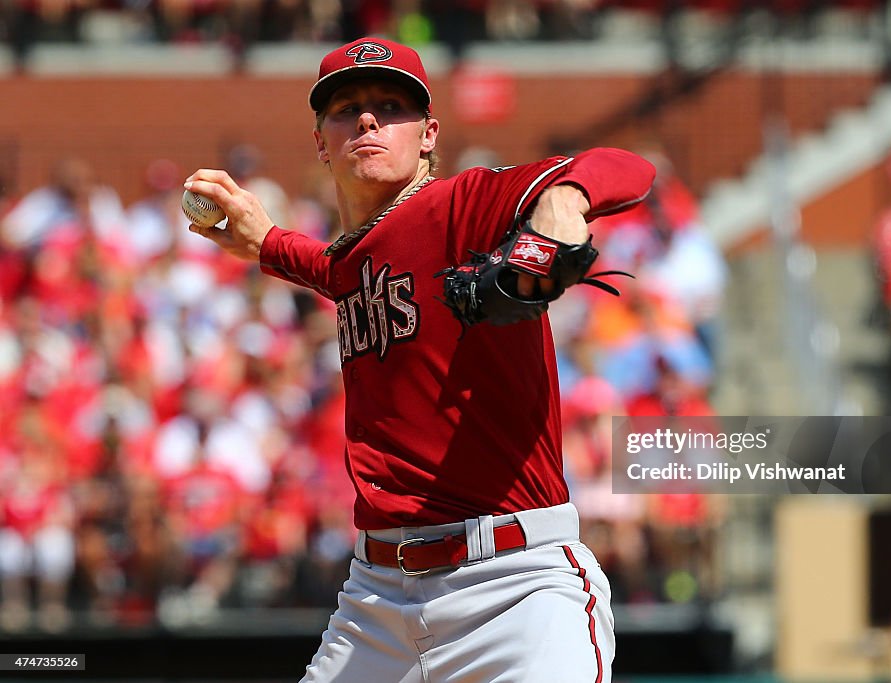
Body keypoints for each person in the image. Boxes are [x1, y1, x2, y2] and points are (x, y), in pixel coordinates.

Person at [183, 36, 655, 682]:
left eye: (390, 105)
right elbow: (340, 269)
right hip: (378, 599)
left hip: (514, 588)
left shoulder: (468, 205)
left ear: (429, 134)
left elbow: (627, 166)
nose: (369, 119)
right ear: (322, 140)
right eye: (346, 108)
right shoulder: (355, 258)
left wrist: (563, 199)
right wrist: (267, 242)